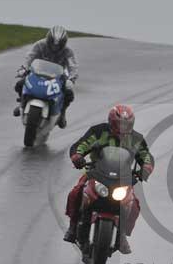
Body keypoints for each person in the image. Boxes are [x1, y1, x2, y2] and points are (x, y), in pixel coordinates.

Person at [63, 104, 154, 252]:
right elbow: (81, 145)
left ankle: (122, 236)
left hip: (123, 179)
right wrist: (77, 156)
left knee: (135, 205)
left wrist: (146, 168)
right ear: (112, 122)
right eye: (120, 124)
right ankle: (73, 227)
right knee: (76, 192)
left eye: (127, 124)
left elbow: (146, 156)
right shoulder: (98, 132)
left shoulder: (136, 139)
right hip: (96, 173)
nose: (123, 127)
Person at [13, 26, 78, 128]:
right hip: (37, 72)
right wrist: (24, 68)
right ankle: (22, 103)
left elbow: (72, 66)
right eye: (52, 43)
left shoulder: (68, 52)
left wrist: (71, 79)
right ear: (48, 39)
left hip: (58, 76)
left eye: (58, 44)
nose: (55, 47)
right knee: (19, 84)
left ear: (63, 43)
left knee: (69, 94)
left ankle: (62, 113)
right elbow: (30, 57)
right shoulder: (40, 45)